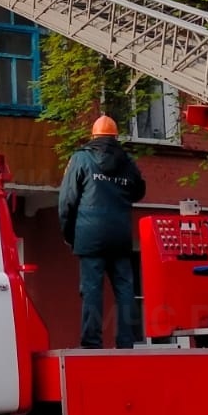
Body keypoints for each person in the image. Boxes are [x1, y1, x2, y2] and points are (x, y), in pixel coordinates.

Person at [58, 114, 146, 349]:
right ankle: (126, 342)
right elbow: (139, 191)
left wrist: (69, 234)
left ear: (93, 135)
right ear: (115, 136)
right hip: (120, 235)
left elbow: (67, 200)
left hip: (89, 235)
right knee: (125, 289)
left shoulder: (81, 159)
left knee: (92, 291)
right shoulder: (127, 161)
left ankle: (91, 342)